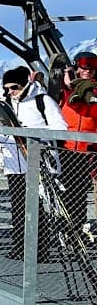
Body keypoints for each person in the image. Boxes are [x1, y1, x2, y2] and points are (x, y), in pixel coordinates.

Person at [0, 65, 67, 259]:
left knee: (37, 207)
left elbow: (60, 127)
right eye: (7, 88)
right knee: (19, 205)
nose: (10, 92)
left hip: (38, 162)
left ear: (25, 84)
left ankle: (39, 250)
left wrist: (33, 135)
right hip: (14, 163)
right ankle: (20, 245)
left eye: (14, 87)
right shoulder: (7, 104)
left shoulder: (42, 100)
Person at [59, 51, 97, 233]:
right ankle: (69, 227)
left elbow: (87, 111)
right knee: (68, 190)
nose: (87, 71)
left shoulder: (92, 91)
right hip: (66, 149)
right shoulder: (64, 89)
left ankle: (78, 227)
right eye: (83, 67)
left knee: (81, 192)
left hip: (89, 150)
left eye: (91, 68)